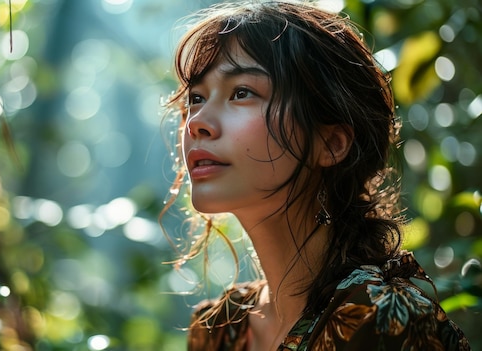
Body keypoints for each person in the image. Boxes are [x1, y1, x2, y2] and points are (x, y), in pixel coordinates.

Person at [161, 1, 471, 350]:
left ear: (332, 143)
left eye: (242, 92)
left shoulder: (384, 320)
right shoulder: (216, 330)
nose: (197, 122)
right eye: (197, 98)